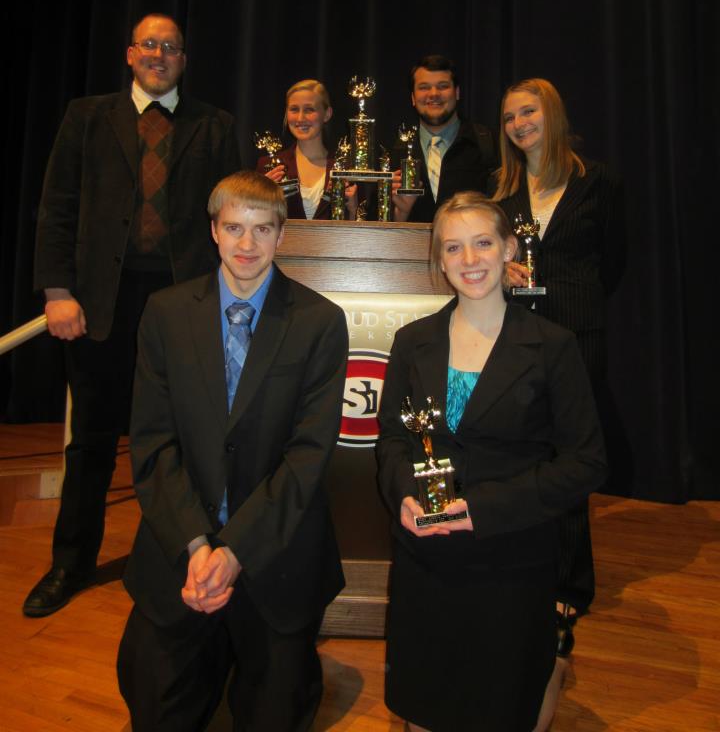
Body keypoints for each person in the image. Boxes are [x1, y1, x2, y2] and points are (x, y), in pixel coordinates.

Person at [23, 13, 240, 618]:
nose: (160, 54)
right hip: (98, 304)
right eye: (150, 44)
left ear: (184, 60)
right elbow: (58, 207)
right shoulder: (86, 117)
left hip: (185, 307)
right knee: (91, 441)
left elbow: (232, 217)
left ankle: (184, 557)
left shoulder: (216, 126)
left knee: (189, 439)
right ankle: (70, 562)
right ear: (129, 53)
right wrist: (57, 291)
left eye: (171, 46)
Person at [117, 171, 348, 732]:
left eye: (262, 229)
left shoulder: (319, 321)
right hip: (183, 541)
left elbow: (308, 456)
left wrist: (235, 552)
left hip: (275, 549)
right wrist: (198, 547)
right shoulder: (166, 314)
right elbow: (152, 443)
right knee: (153, 699)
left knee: (277, 712)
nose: (248, 245)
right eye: (234, 228)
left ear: (281, 235)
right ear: (214, 231)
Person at [375, 193, 606, 732]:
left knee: (502, 707)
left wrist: (482, 509)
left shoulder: (552, 345)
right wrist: (403, 493)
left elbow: (587, 462)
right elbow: (391, 439)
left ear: (509, 248)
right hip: (426, 559)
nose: (470, 259)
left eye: (483, 243)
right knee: (425, 707)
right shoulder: (413, 342)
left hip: (511, 559)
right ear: (439, 259)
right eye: (453, 247)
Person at [494, 77, 626, 649]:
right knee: (523, 452)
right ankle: (521, 570)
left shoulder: (597, 180)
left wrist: (576, 301)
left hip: (576, 335)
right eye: (509, 117)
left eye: (529, 112)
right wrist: (502, 270)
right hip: (519, 334)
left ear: (552, 113)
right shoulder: (501, 191)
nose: (520, 124)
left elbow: (615, 261)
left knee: (570, 455)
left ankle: (570, 581)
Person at [390, 54, 496, 222]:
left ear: (457, 92)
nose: (434, 94)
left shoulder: (487, 144)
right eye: (424, 87)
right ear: (412, 97)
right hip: (410, 247)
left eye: (443, 86)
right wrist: (399, 214)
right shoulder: (393, 153)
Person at [257, 78, 357, 219]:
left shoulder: (348, 167)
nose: (300, 118)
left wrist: (353, 210)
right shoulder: (268, 166)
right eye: (294, 109)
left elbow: (360, 229)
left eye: (309, 110)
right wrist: (258, 198)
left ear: (327, 114)